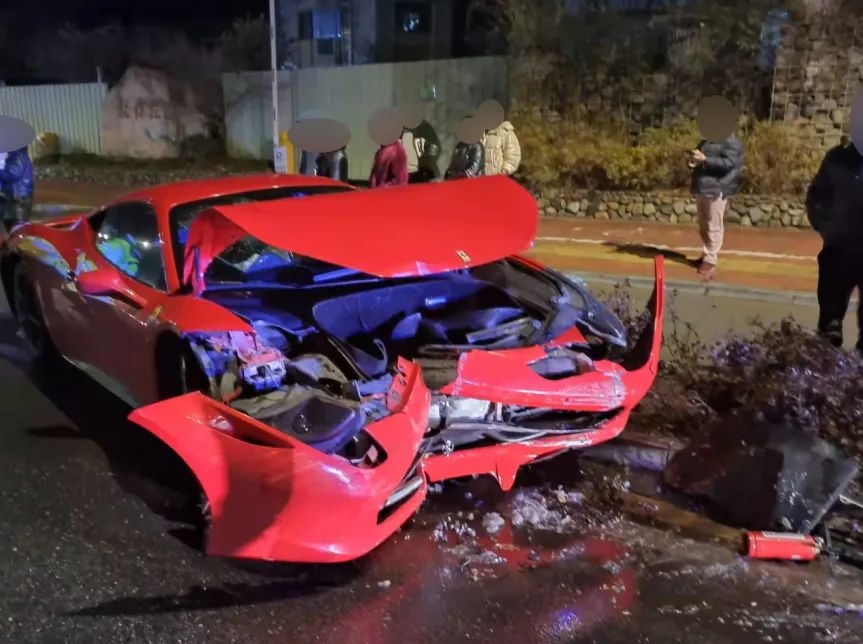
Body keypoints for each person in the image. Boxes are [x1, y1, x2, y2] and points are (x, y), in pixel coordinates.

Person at [806, 137, 863, 351]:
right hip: (839, 249)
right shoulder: (837, 158)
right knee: (830, 327)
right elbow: (816, 198)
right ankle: (827, 358)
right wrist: (828, 229)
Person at [688, 133, 744, 277]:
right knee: (703, 225)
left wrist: (705, 159)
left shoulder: (730, 140)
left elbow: (729, 163)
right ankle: (706, 254)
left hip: (717, 188)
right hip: (702, 187)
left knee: (714, 224)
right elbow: (700, 158)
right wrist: (694, 160)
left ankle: (711, 258)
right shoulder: (707, 140)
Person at [0, 146, 34, 233]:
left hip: (18, 197)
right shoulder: (15, 154)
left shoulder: (18, 155)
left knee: (16, 229)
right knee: (12, 227)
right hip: (14, 196)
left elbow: (12, 173)